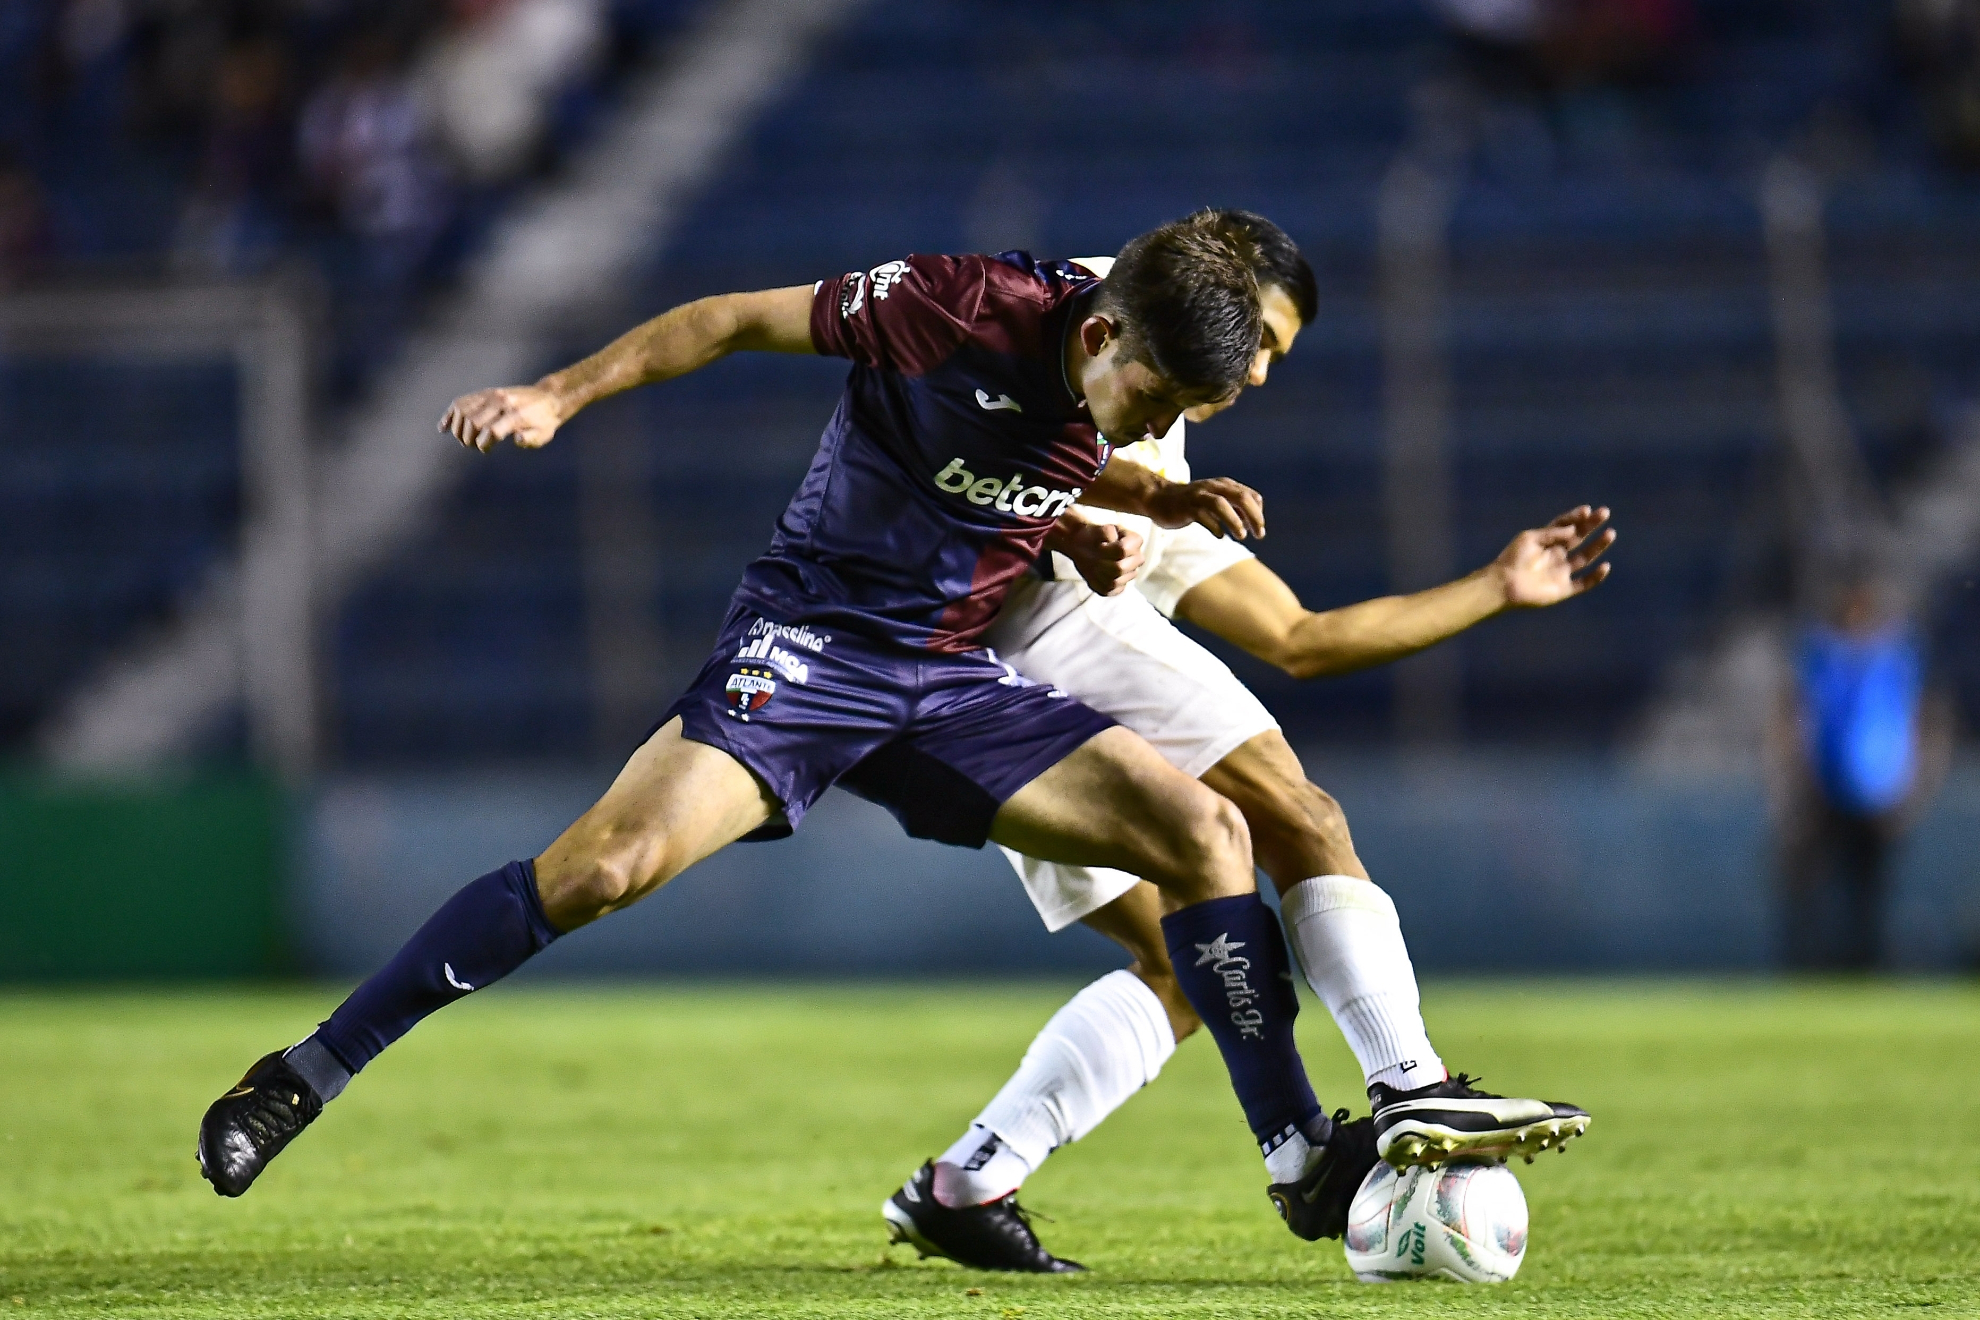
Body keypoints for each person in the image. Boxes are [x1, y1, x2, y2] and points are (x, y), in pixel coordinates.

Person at [195, 215, 1362, 1225]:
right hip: (815, 647)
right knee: (606, 869)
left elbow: (1027, 443)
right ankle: (303, 1075)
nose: (1150, 424)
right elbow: (725, 321)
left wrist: (1146, 497)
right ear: (1105, 336)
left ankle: (1300, 1155)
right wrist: (558, 395)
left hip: (950, 680)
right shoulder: (953, 304)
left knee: (1210, 840)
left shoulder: (1117, 379)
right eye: (1154, 403)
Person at [882, 214, 1604, 1274]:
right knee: (1301, 818)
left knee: (1183, 966)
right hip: (1006, 636)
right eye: (1260, 337)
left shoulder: (1157, 436)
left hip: (948, 680)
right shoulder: (1066, 312)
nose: (1258, 373)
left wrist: (1495, 587)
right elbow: (950, 425)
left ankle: (968, 1182)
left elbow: (1300, 641)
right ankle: (1407, 1084)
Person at [1770, 570, 1953, 970]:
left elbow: (1919, 717)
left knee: (1869, 886)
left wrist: (1917, 780)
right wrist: (1792, 779)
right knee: (1813, 882)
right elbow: (1797, 715)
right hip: (1826, 788)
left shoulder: (1896, 655)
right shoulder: (1820, 653)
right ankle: (1812, 963)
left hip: (1879, 789)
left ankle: (1866, 961)